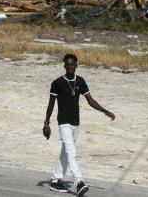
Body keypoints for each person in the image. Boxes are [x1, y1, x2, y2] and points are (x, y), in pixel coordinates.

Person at [43, 54, 115, 195]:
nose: (70, 67)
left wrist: (105, 111)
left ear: (76, 65)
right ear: (64, 65)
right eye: (68, 64)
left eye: (73, 64)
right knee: (72, 153)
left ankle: (55, 180)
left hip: (75, 123)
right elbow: (51, 104)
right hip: (63, 123)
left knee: (66, 152)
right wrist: (46, 122)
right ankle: (79, 182)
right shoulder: (57, 83)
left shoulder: (80, 81)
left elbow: (90, 100)